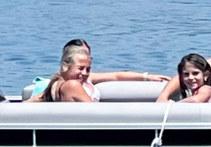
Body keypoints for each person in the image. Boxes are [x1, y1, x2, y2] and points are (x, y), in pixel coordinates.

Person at [29, 38, 163, 103]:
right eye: (80, 68)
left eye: (88, 69)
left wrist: (146, 77)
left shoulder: (64, 82)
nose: (85, 73)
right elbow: (94, 111)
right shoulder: (71, 84)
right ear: (65, 65)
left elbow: (116, 76)